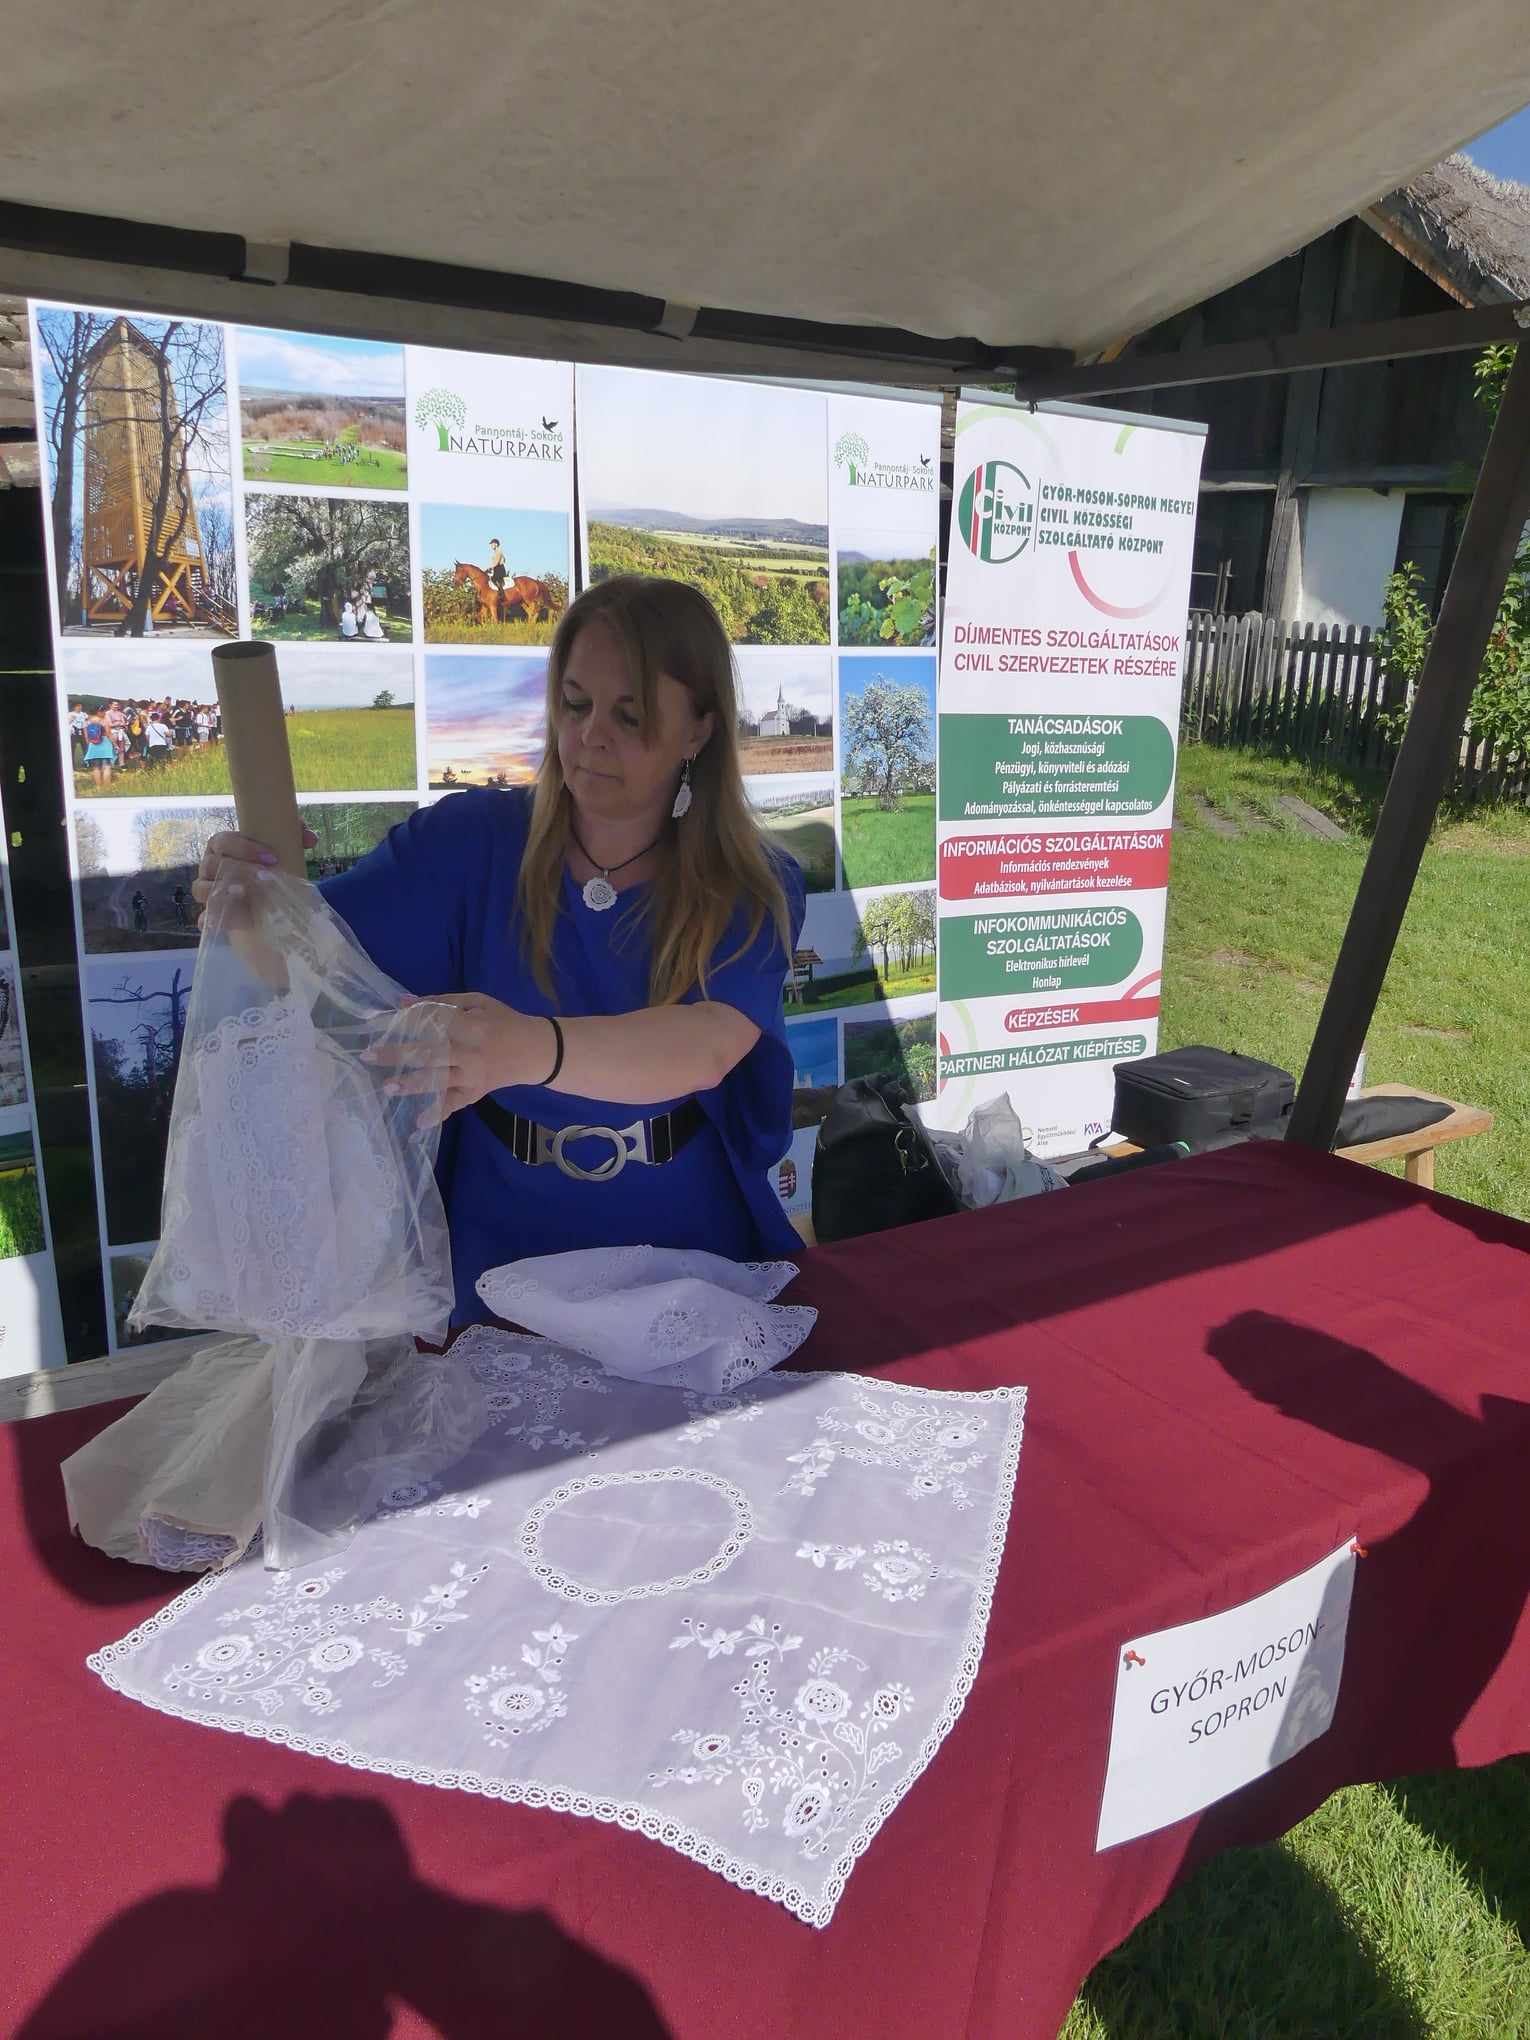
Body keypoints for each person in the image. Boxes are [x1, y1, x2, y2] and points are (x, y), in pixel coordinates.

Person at [193, 575, 806, 1328]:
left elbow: (705, 1046)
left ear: (699, 730)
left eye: (631, 714)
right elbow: (309, 971)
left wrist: (521, 1049)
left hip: (686, 1243)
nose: (591, 736)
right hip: (496, 1247)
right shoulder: (467, 843)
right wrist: (244, 909)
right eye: (574, 704)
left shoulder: (752, 882)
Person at [82, 711, 115, 789]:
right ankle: (107, 786)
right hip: (105, 744)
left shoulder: (87, 722)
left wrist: (90, 745)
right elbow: (108, 734)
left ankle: (98, 787)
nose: (104, 713)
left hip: (93, 744)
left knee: (96, 767)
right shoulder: (104, 721)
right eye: (103, 711)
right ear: (98, 712)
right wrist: (115, 744)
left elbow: (86, 736)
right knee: (106, 766)